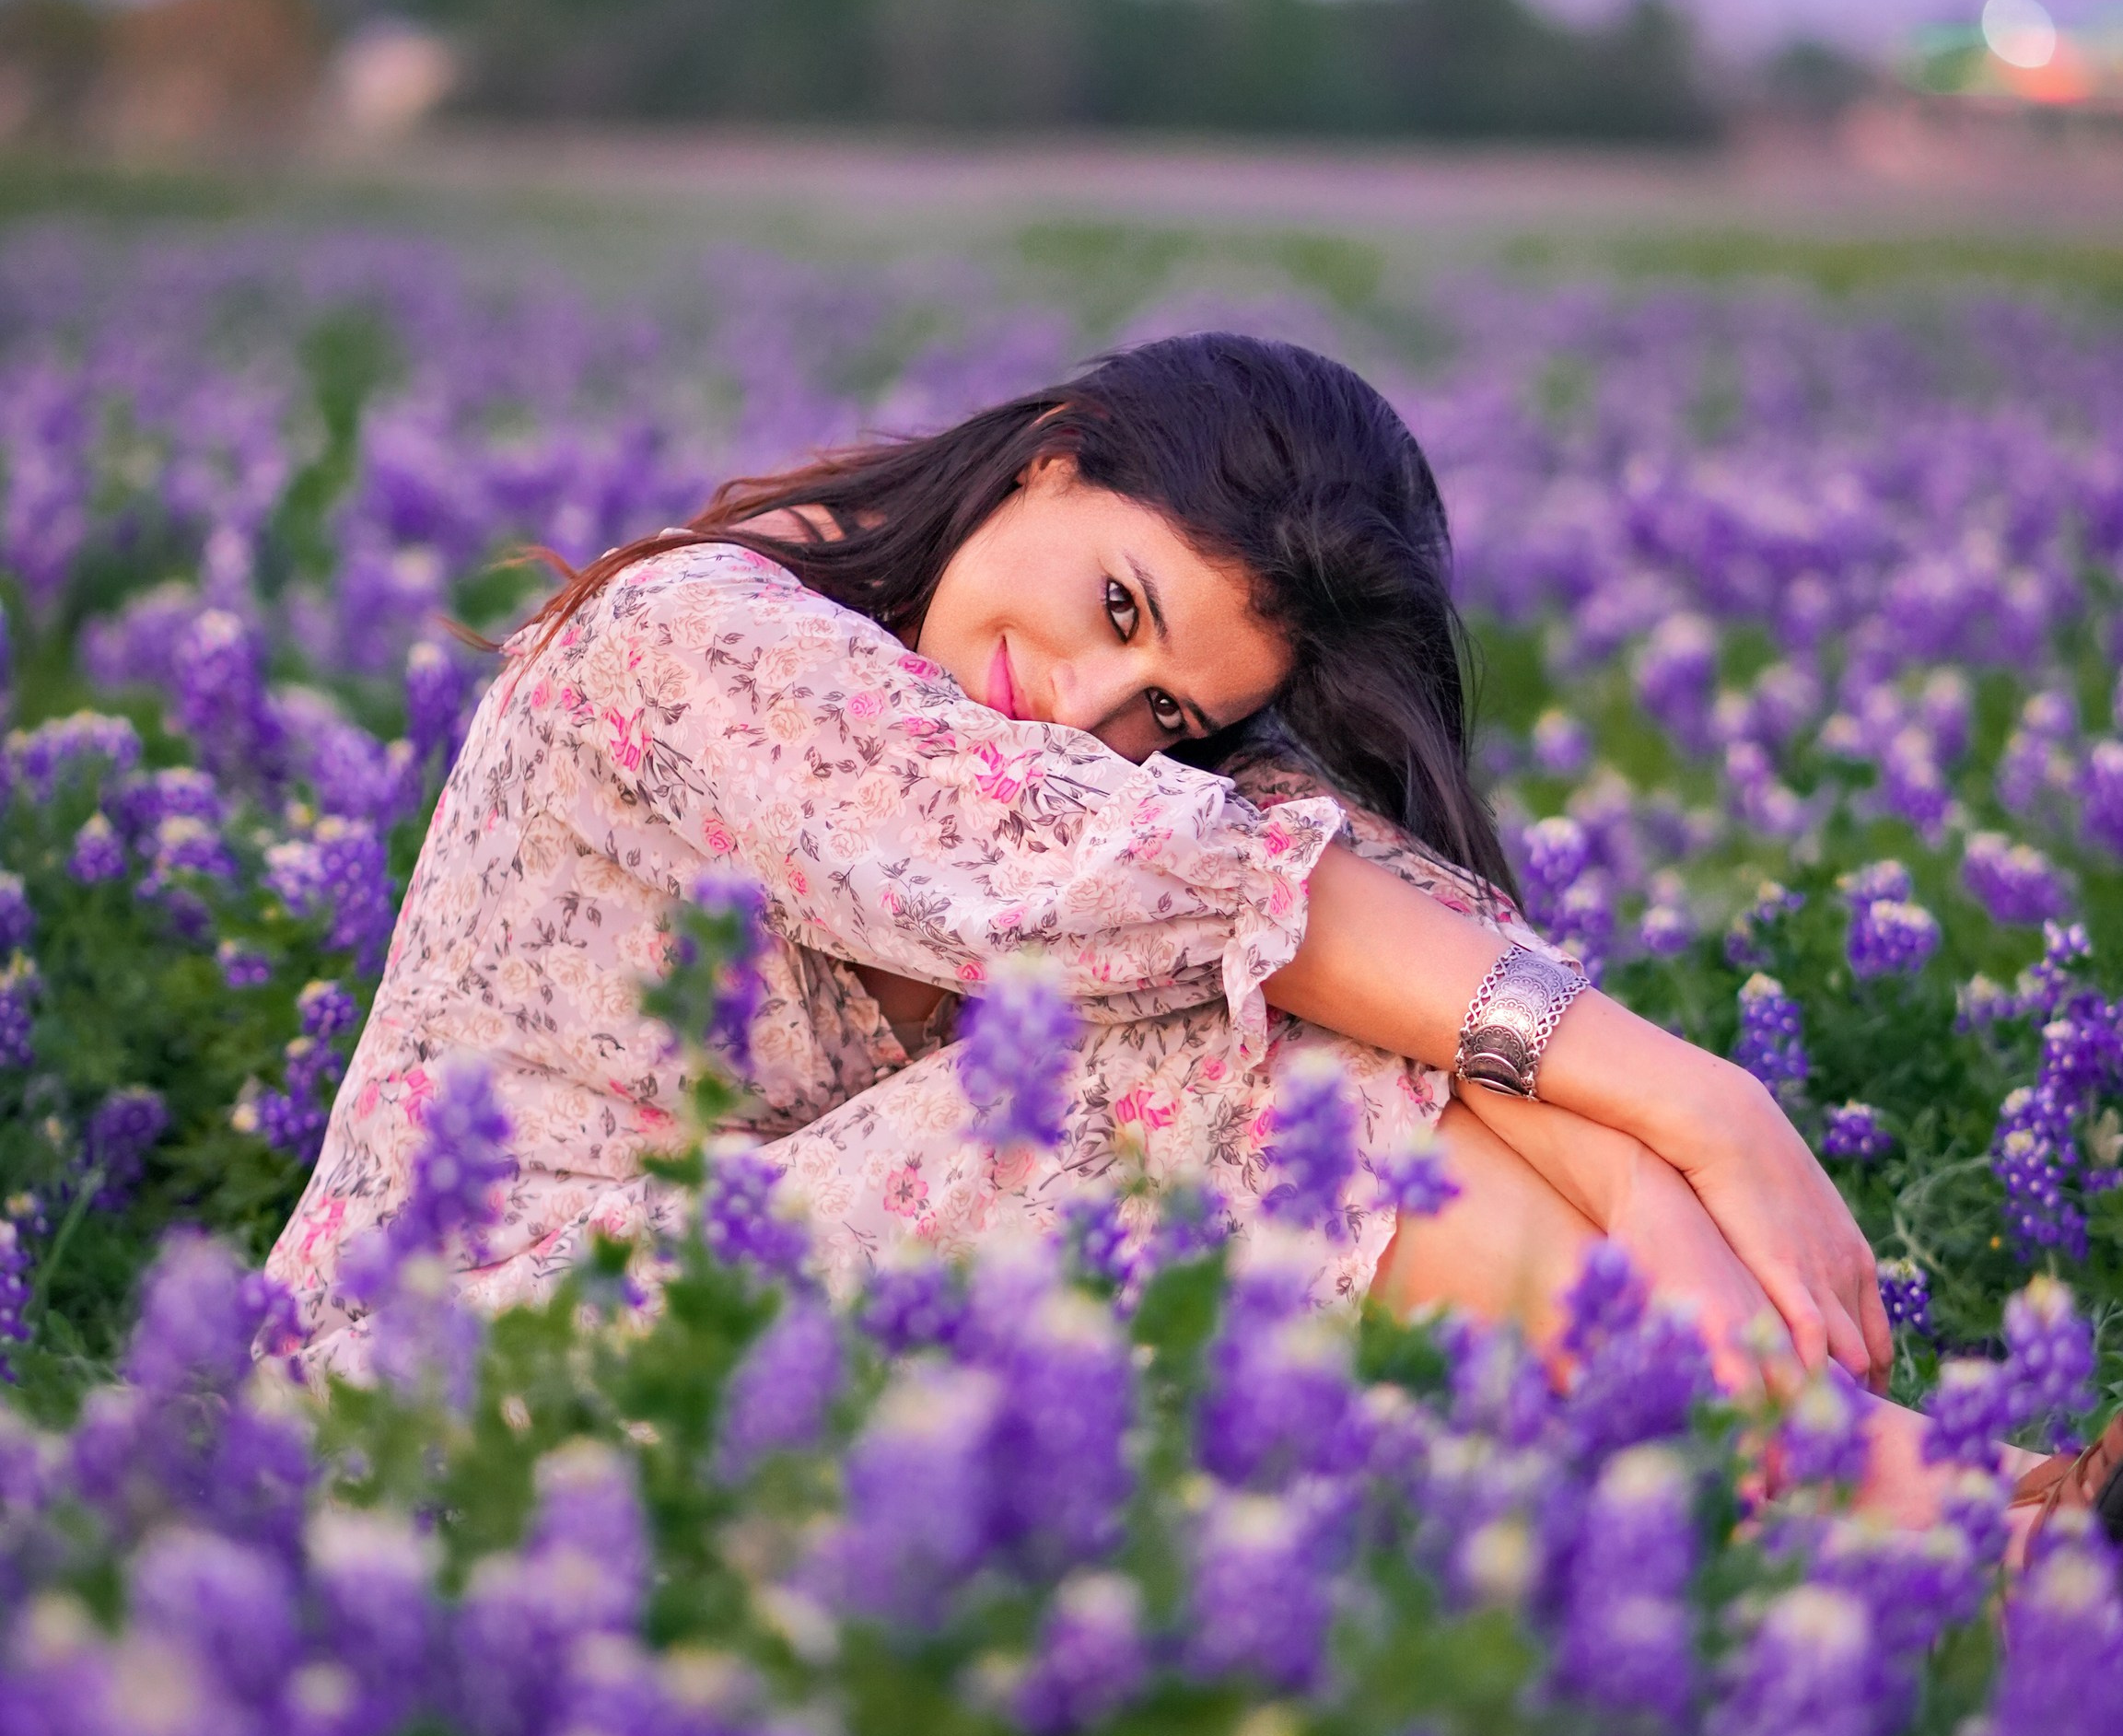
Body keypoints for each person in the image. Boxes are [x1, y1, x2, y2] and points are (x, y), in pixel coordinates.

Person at [266, 332, 2122, 1540]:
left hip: (771, 1381)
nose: (1084, 704)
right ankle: (1933, 1524)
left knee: (1280, 1000)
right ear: (1053, 454)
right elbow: (1204, 894)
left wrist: (1639, 1191)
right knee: (1205, 1053)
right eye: (1120, 603)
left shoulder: (1072, 780)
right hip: (460, 1384)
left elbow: (1349, 919)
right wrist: (1699, 1115)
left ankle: (1868, 1504)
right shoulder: (704, 632)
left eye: (1165, 708)